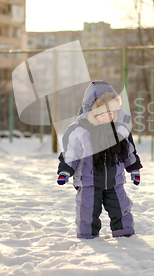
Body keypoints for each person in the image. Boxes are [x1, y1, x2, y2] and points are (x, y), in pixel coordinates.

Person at [57, 81, 142, 239]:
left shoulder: (120, 130)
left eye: (112, 112)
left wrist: (134, 169)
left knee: (121, 208)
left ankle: (125, 236)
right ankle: (88, 238)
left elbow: (129, 151)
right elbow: (70, 154)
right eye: (103, 113)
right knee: (87, 210)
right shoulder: (79, 131)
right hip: (88, 182)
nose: (108, 117)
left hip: (114, 181)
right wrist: (65, 171)